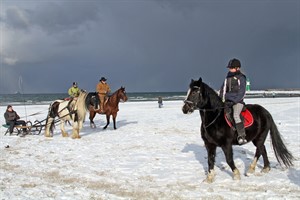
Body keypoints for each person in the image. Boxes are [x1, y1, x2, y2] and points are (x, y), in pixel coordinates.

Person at [219, 58, 247, 144]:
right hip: (228, 101)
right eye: (229, 68)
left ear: (237, 68)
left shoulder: (241, 78)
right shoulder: (227, 78)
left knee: (235, 115)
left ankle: (241, 136)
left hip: (238, 102)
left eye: (232, 68)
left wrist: (234, 101)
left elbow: (242, 92)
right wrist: (221, 100)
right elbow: (223, 90)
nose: (230, 69)